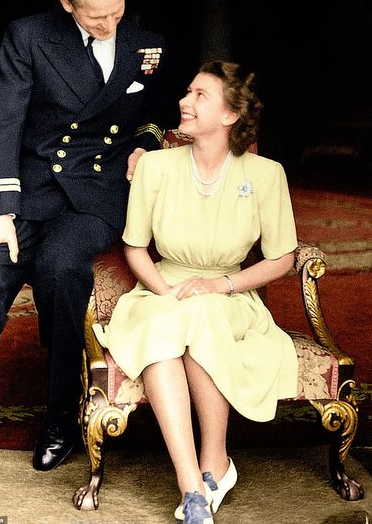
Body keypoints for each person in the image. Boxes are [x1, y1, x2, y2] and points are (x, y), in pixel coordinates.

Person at [0, 0, 173, 491]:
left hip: (95, 200)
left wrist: (146, 144)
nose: (109, 24)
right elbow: (2, 123)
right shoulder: (29, 37)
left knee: (65, 269)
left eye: (116, 11)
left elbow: (157, 107)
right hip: (26, 195)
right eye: (95, 16)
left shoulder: (145, 43)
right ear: (67, 3)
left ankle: (61, 417)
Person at [93, 60, 299, 524]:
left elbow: (282, 258)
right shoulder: (156, 167)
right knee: (166, 334)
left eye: (200, 96)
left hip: (229, 298)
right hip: (162, 292)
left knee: (202, 318)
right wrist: (166, 290)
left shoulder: (267, 175)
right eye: (187, 92)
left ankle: (216, 462)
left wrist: (220, 284)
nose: (184, 102)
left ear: (230, 115)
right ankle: (193, 486)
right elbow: (135, 248)